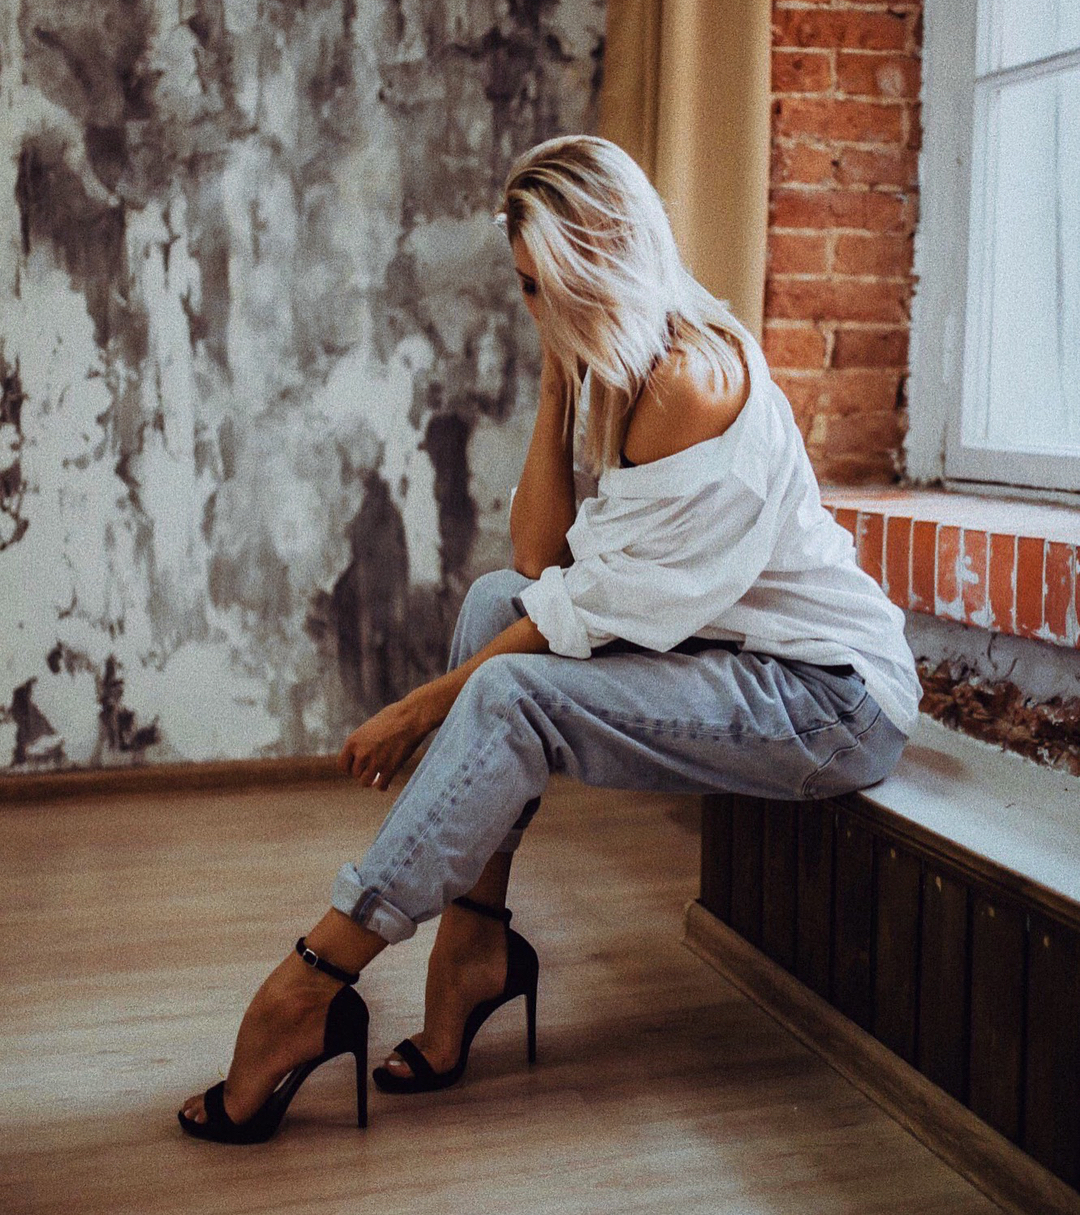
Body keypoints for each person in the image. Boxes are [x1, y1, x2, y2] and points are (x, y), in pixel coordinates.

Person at [178, 134, 921, 1143]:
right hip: (739, 656)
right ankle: (475, 943)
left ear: (604, 256)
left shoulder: (685, 382)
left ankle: (311, 980)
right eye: (526, 287)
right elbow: (539, 561)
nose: (533, 309)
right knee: (497, 604)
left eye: (543, 287)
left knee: (508, 688)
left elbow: (578, 609)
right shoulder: (627, 359)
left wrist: (416, 709)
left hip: (827, 700)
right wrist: (557, 380)